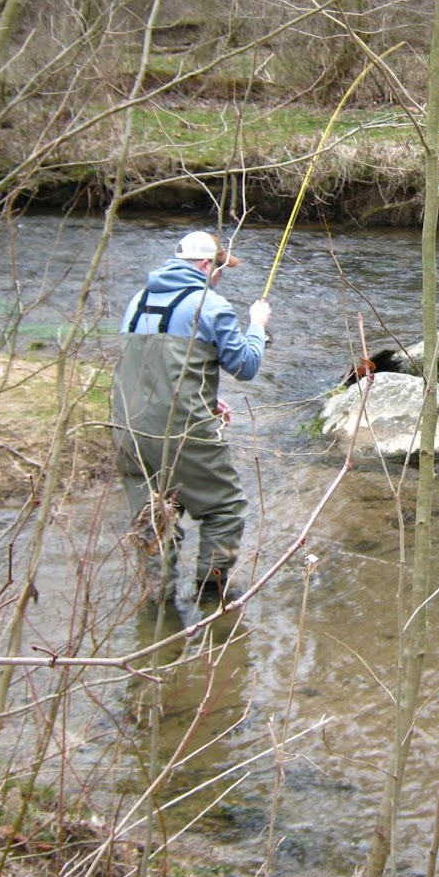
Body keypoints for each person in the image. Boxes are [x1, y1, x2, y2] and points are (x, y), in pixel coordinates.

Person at [112, 230, 272, 604]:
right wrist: (257, 326)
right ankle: (211, 597)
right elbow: (245, 366)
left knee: (154, 520)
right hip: (183, 433)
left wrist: (208, 398)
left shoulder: (137, 301)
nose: (220, 276)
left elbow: (146, 366)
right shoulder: (210, 304)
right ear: (205, 265)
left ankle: (157, 610)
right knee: (226, 509)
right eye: (220, 269)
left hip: (126, 429)